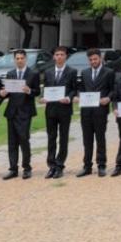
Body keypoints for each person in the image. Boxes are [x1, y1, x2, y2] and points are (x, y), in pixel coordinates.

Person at [0, 49, 40, 180]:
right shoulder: (10, 73)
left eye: (22, 58)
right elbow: (8, 92)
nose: (19, 60)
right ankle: (13, 169)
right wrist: (4, 93)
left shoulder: (33, 73)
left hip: (25, 111)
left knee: (24, 139)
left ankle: (27, 168)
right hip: (12, 111)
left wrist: (29, 91)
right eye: (17, 58)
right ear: (14, 60)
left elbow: (37, 92)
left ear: (26, 59)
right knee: (12, 142)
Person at [75, 49, 113, 178]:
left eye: (95, 59)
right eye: (90, 60)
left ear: (100, 58)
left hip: (100, 110)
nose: (93, 61)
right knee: (87, 139)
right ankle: (87, 166)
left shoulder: (109, 72)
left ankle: (101, 165)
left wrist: (108, 98)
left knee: (100, 138)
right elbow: (81, 88)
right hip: (86, 111)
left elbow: (113, 89)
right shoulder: (84, 73)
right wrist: (78, 96)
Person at [42, 46, 78, 179]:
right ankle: (51, 165)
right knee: (51, 138)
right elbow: (45, 88)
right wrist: (43, 97)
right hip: (50, 109)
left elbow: (74, 89)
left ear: (66, 56)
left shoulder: (72, 71)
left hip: (64, 109)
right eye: (57, 55)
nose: (59, 57)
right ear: (54, 57)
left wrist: (69, 98)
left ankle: (59, 165)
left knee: (63, 138)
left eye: (62, 54)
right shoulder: (48, 72)